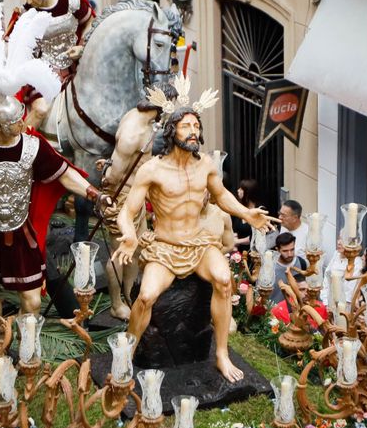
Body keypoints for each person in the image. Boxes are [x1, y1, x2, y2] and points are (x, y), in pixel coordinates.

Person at [112, 103, 272, 382]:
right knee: (147, 296)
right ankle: (128, 352)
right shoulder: (152, 170)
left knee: (224, 280)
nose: (193, 132)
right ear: (172, 131)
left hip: (199, 244)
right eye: (187, 126)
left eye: (196, 126)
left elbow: (221, 195)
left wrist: (246, 212)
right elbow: (128, 210)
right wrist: (128, 235)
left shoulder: (206, 165)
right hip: (164, 246)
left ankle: (221, 354)